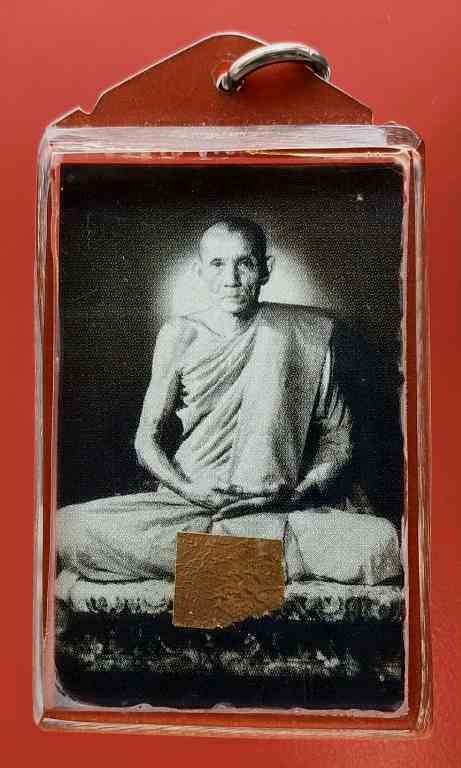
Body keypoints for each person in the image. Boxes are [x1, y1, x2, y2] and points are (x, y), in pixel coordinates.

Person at [56, 217, 401, 597]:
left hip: (275, 507)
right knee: (69, 528)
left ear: (266, 269)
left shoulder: (306, 333)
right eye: (218, 264)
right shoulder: (180, 335)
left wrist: (298, 493)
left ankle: (220, 563)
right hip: (190, 504)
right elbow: (146, 441)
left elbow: (338, 442)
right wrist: (191, 491)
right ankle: (263, 564)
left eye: (245, 263)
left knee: (381, 542)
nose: (231, 279)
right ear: (200, 271)